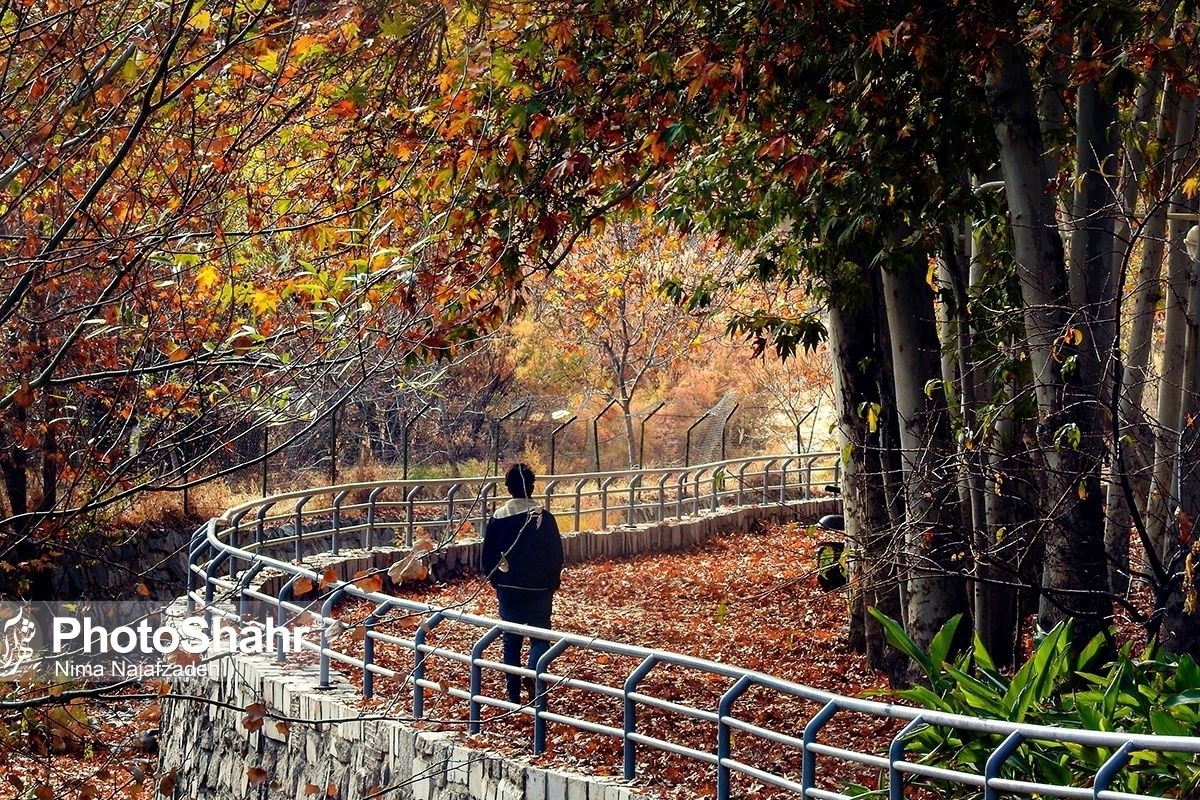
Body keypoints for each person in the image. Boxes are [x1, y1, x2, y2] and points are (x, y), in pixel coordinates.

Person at [481, 462, 565, 704]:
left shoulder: (498, 518)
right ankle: (533, 674)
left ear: (508, 488)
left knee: (511, 641)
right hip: (539, 589)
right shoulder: (544, 517)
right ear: (532, 487)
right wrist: (552, 582)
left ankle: (513, 696)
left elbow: (487, 557)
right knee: (541, 638)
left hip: (509, 589)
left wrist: (496, 581)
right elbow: (556, 555)